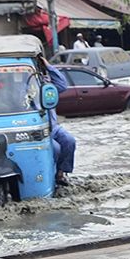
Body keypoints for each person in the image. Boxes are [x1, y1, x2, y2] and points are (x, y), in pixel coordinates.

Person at [33, 55, 79, 186]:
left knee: (69, 141)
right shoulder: (25, 87)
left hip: (53, 127)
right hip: (39, 128)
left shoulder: (46, 83)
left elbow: (62, 85)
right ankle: (48, 176)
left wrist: (48, 66)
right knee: (56, 149)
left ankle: (60, 173)